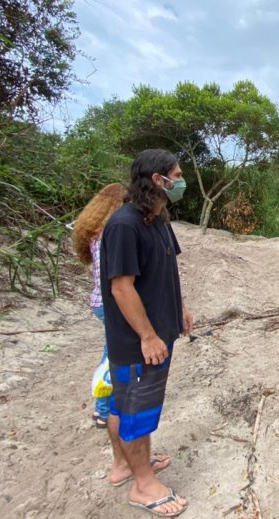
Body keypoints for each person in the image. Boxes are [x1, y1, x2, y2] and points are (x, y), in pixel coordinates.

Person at [101, 149, 193, 517]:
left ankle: (125, 465)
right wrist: (148, 336)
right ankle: (143, 486)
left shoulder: (158, 220)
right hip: (139, 341)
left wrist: (180, 309)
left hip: (159, 330)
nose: (181, 181)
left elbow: (166, 271)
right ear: (159, 180)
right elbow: (122, 287)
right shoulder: (125, 225)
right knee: (138, 408)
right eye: (177, 174)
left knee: (125, 404)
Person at [72, 182, 128, 428]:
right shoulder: (111, 234)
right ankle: (104, 410)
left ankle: (104, 408)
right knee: (114, 358)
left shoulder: (95, 233)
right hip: (112, 303)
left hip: (100, 301)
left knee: (111, 353)